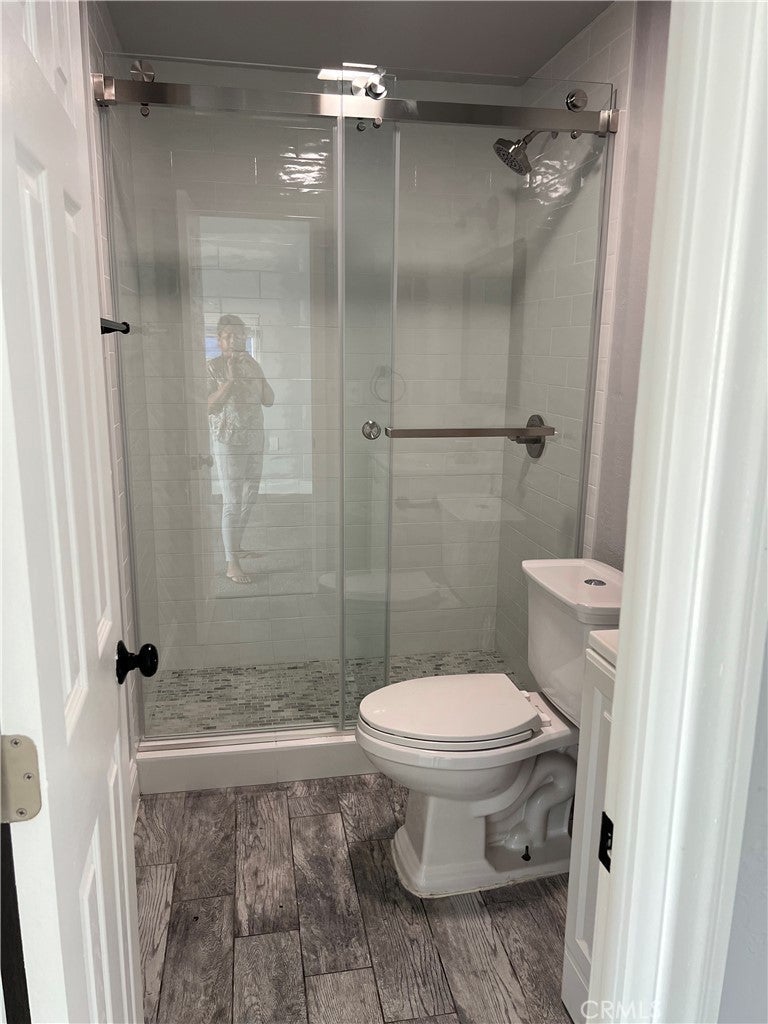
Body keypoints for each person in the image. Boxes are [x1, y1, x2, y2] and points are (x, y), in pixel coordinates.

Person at [207, 315, 274, 584]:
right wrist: (231, 379)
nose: (235, 340)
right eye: (229, 335)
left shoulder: (253, 364)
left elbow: (269, 400)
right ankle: (231, 563)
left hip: (254, 438)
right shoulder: (212, 366)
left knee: (250, 497)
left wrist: (258, 374)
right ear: (219, 340)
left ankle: (236, 545)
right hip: (229, 441)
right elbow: (209, 406)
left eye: (240, 335)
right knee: (232, 502)